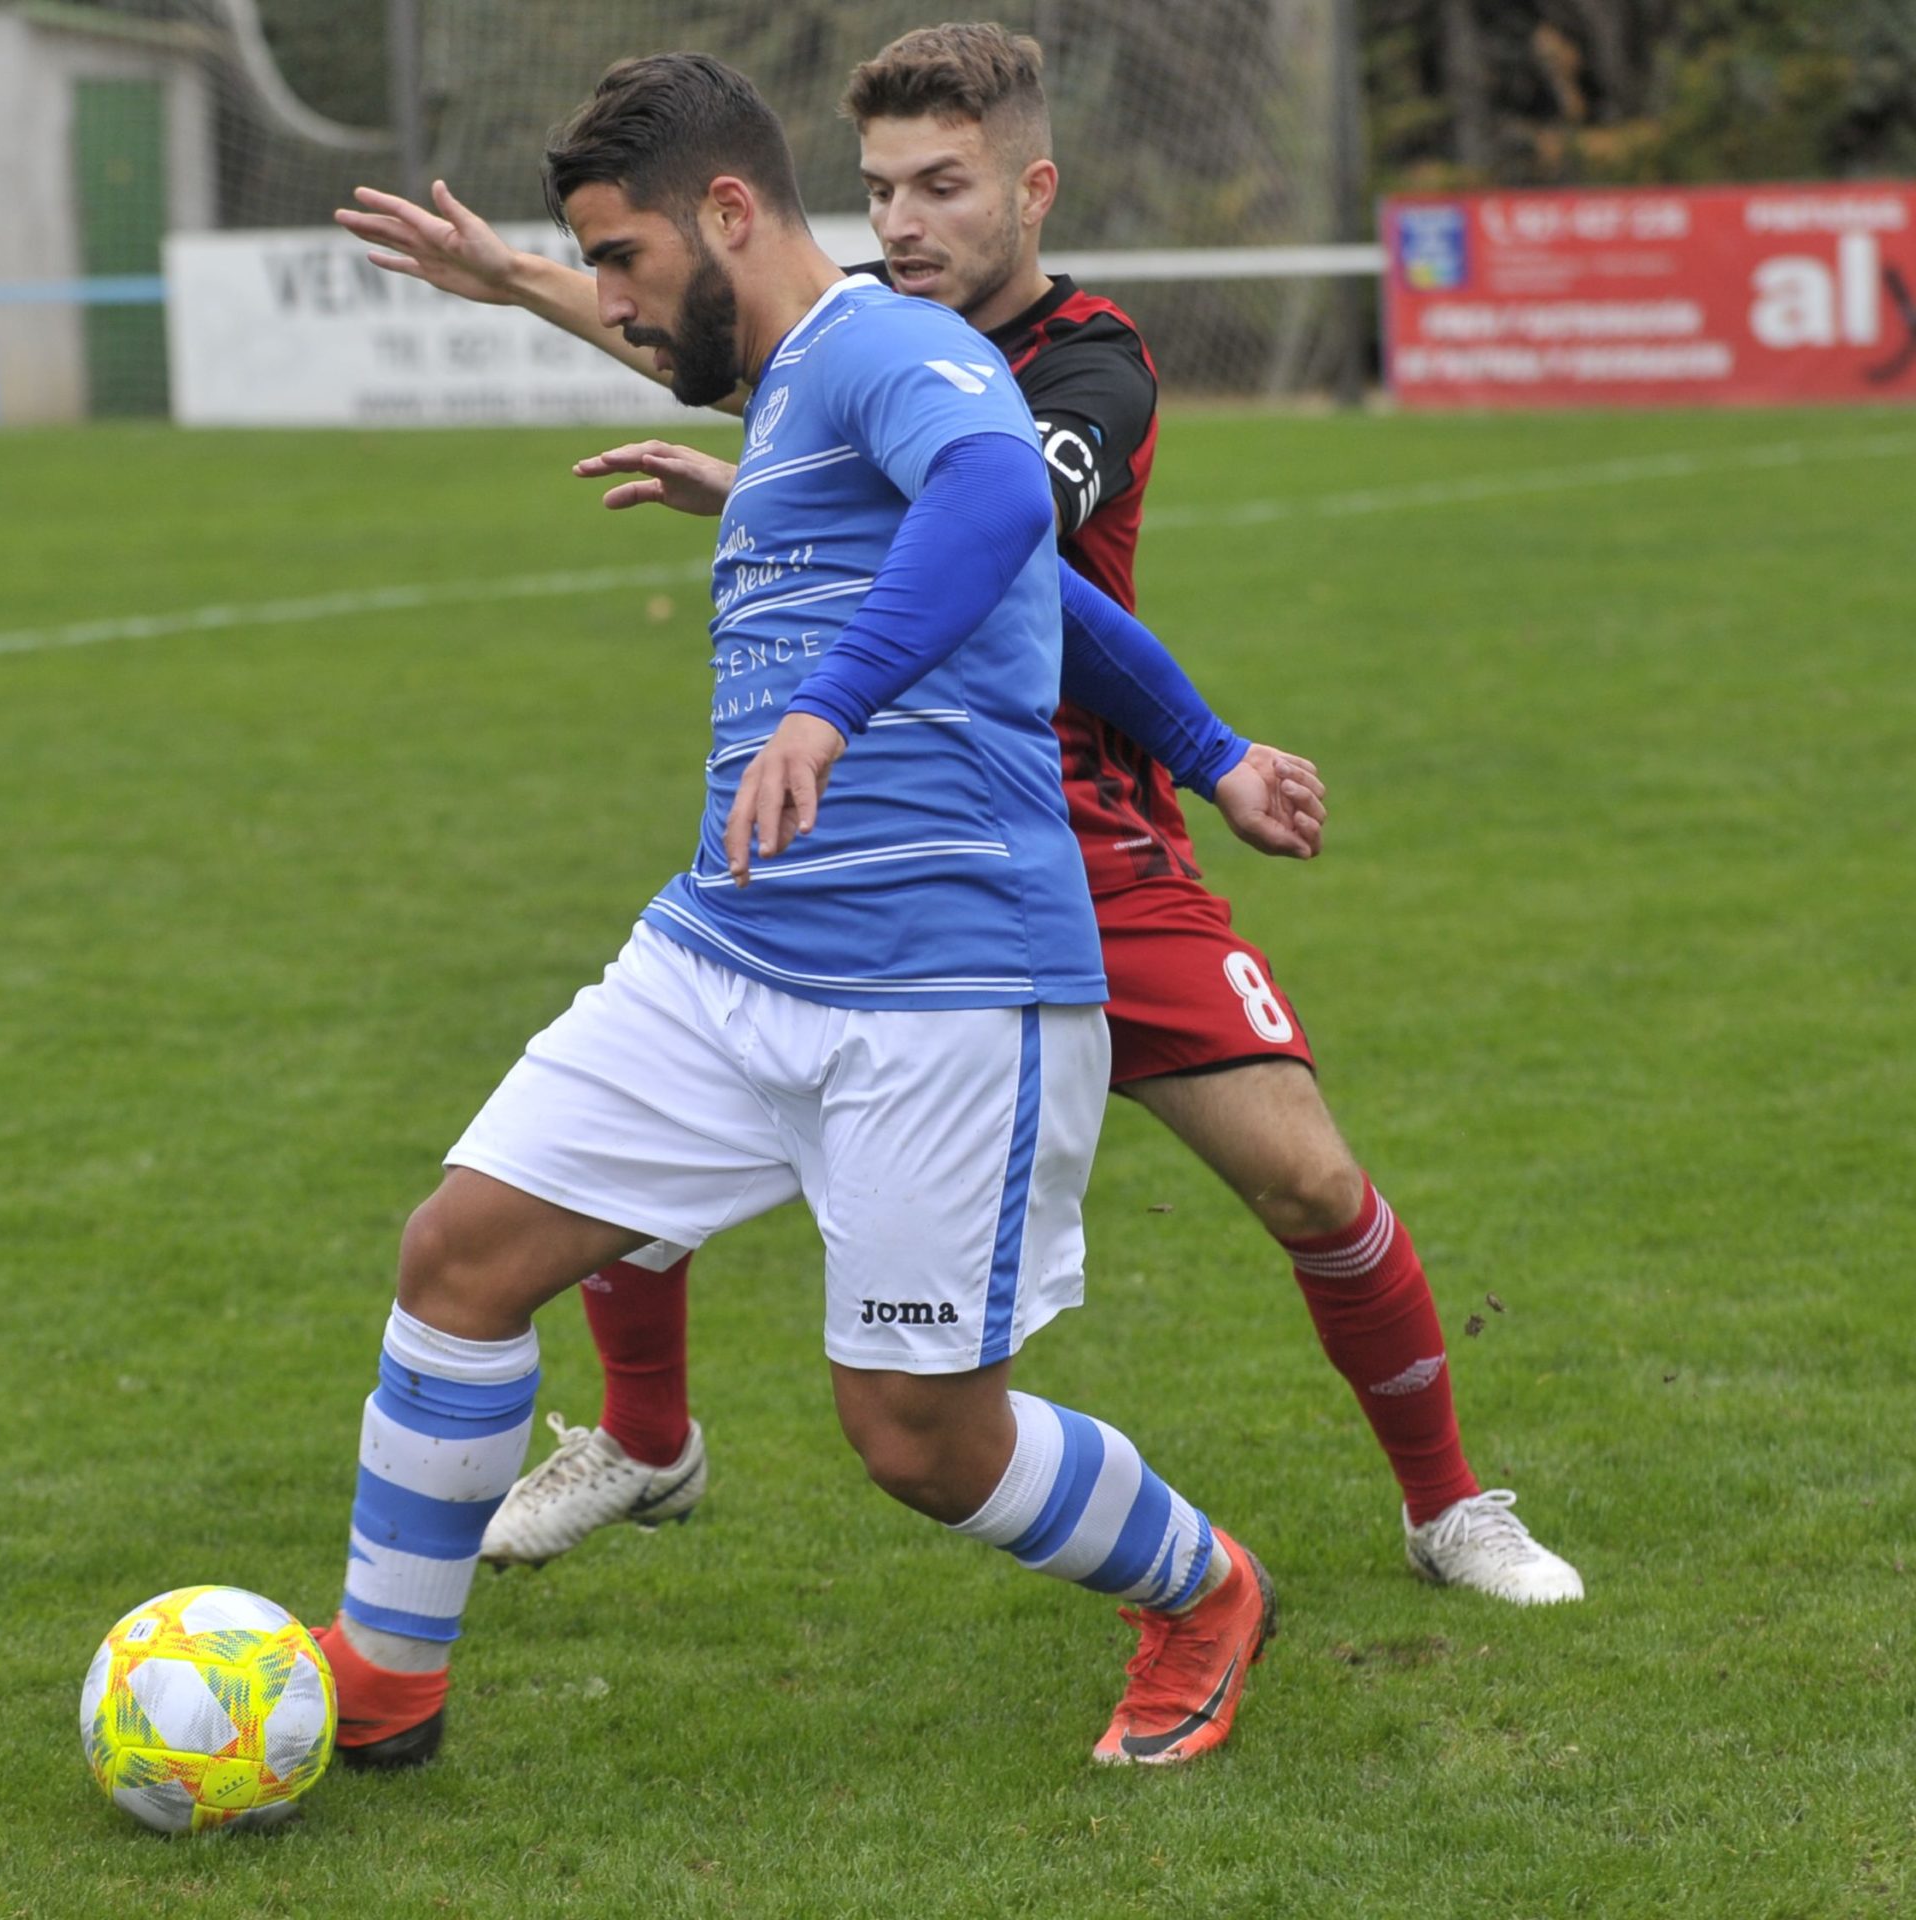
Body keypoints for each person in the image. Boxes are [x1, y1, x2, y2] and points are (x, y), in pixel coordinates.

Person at [334, 22, 1580, 1607]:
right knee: (620, 1147)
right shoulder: (843, 348)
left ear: (1030, 190)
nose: (906, 222)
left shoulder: (1079, 366)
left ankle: (1451, 1503)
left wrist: (1209, 754)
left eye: (943, 186)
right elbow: (709, 342)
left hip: (1078, 842)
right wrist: (523, 284)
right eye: (880, 189)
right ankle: (646, 1441)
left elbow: (1002, 529)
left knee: (1308, 1184)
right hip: (868, 841)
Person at [312, 52, 1275, 1778]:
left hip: (948, 981)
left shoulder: (898, 349)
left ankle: (1202, 1594)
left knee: (915, 1439)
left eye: (620, 257)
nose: (608, 297)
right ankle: (378, 1687)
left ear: (731, 214)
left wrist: (829, 703)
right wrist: (1211, 748)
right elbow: (1053, 596)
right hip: (729, 950)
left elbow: (1001, 509)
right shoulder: (792, 392)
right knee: (458, 1259)